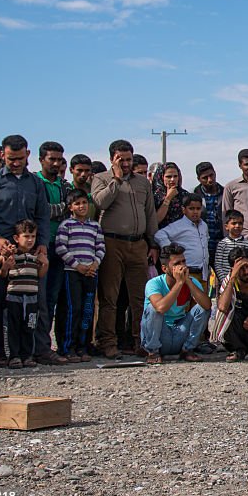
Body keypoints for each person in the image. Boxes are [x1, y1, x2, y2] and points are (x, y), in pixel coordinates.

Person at [0, 135, 56, 365]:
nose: (15, 163)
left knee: (36, 301)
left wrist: (42, 242)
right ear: (3, 155)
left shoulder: (35, 183)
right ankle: (1, 353)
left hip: (31, 252)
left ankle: (37, 350)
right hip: (5, 252)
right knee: (3, 303)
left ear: (27, 155)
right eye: (11, 158)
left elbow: (42, 215)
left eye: (19, 158)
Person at [91, 139, 158, 359]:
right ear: (112, 159)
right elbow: (101, 202)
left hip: (138, 244)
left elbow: (149, 213)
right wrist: (117, 179)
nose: (127, 163)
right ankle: (108, 342)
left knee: (140, 297)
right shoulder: (100, 178)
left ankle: (142, 340)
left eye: (129, 159)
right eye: (122, 159)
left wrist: (153, 242)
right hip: (111, 243)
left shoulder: (142, 183)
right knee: (109, 297)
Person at [54, 190, 105, 362]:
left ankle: (83, 345)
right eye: (77, 203)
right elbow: (61, 248)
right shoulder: (66, 225)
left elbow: (100, 247)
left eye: (84, 202)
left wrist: (95, 264)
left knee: (88, 309)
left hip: (91, 272)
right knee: (72, 309)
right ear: (70, 207)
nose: (81, 206)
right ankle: (68, 347)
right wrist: (77, 266)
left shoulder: (95, 226)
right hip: (72, 273)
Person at [141, 243, 211, 364]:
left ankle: (188, 350)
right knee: (153, 308)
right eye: (177, 264)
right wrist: (179, 283)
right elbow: (160, 308)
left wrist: (187, 281)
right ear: (164, 268)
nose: (182, 266)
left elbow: (207, 305)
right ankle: (152, 352)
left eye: (183, 262)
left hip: (179, 332)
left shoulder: (191, 281)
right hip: (160, 335)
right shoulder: (154, 283)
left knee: (202, 307)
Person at [0, 220, 48, 369]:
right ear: (17, 238)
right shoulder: (11, 255)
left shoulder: (35, 256)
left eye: (33, 236)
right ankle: (13, 356)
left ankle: (27, 355)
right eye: (26, 236)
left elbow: (40, 275)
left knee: (29, 327)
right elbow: (2, 274)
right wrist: (5, 266)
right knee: (12, 327)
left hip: (31, 298)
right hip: (13, 298)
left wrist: (45, 264)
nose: (30, 240)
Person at [36, 141, 70, 362]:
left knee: (55, 299)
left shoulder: (64, 185)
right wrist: (60, 209)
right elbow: (39, 209)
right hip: (40, 246)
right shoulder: (34, 182)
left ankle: (50, 347)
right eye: (52, 159)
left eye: (59, 159)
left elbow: (70, 208)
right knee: (40, 299)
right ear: (41, 160)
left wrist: (54, 210)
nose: (56, 164)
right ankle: (38, 347)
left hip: (61, 248)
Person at [155, 194, 210, 300]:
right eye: (191, 209)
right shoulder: (178, 226)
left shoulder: (204, 226)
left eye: (198, 209)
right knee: (183, 306)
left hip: (202, 274)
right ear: (184, 210)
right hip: (186, 274)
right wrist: (171, 251)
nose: (195, 212)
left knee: (201, 307)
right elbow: (159, 235)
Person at [193, 162, 224, 264]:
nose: (210, 180)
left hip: (222, 244)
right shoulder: (193, 196)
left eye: (211, 175)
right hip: (203, 244)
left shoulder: (226, 193)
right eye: (205, 178)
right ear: (199, 179)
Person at [214, 210, 248, 284]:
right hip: (226, 281)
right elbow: (218, 265)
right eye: (234, 223)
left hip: (242, 282)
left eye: (240, 223)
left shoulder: (247, 244)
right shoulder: (222, 244)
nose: (237, 226)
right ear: (226, 226)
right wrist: (224, 281)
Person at [152, 162, 188, 229]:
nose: (172, 179)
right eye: (168, 177)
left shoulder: (185, 195)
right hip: (160, 235)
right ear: (161, 177)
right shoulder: (154, 196)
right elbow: (155, 221)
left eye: (175, 176)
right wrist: (168, 198)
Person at [67, 154, 98, 220]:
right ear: (71, 170)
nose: (83, 174)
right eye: (79, 170)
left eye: (87, 171)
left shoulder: (95, 190)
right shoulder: (67, 190)